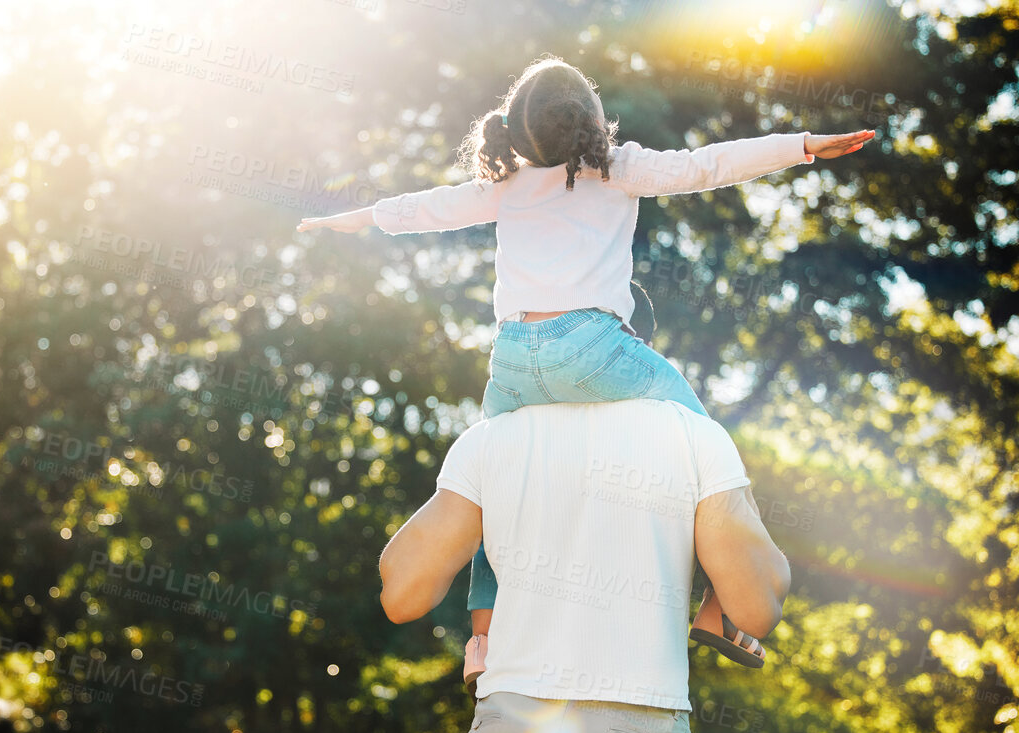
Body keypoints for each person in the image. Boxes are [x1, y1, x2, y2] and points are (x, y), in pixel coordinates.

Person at [299, 55, 870, 683]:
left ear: (517, 132)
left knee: (488, 496)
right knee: (703, 443)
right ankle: (717, 606)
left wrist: (344, 219)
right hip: (593, 347)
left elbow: (420, 209)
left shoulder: (505, 184)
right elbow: (708, 164)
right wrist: (803, 145)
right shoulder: (617, 169)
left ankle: (484, 640)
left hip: (513, 358)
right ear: (594, 122)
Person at [376, 396, 791, 733]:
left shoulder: (490, 435)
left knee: (509, 516)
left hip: (505, 728)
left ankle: (483, 643)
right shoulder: (690, 430)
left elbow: (400, 596)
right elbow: (758, 610)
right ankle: (714, 607)